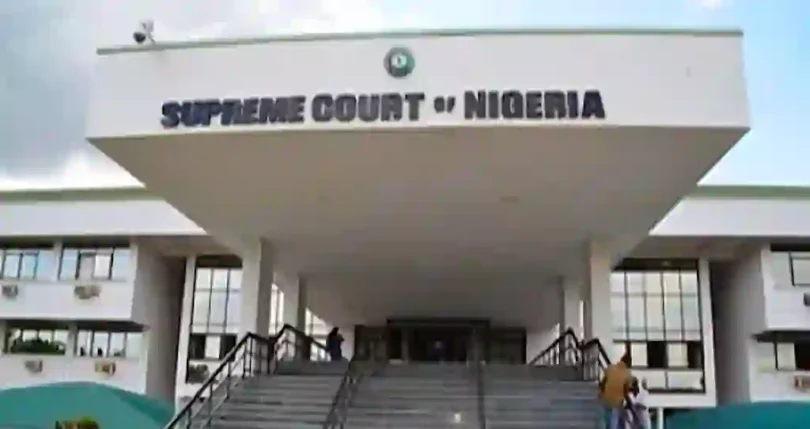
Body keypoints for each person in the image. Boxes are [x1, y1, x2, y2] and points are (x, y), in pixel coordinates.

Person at [599, 353, 632, 429]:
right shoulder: (627, 373)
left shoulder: (610, 368)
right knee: (614, 421)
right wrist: (629, 403)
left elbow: (603, 382)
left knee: (605, 419)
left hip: (605, 398)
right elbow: (625, 390)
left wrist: (601, 393)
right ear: (628, 363)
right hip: (617, 401)